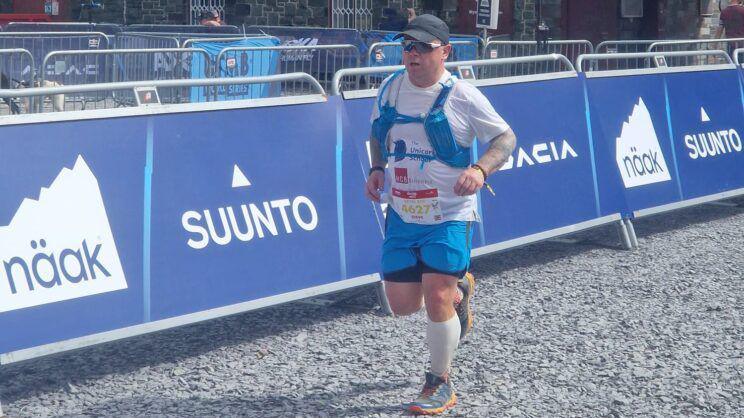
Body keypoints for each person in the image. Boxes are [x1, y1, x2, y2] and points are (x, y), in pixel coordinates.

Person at [364, 14, 516, 415]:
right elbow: (377, 135)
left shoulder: (463, 95)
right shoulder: (390, 89)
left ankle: (440, 382)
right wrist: (377, 169)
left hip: (450, 213)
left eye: (422, 47)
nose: (412, 55)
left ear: (445, 51)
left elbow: (505, 137)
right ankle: (460, 289)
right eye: (407, 47)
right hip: (402, 211)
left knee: (435, 299)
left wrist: (480, 169)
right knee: (401, 305)